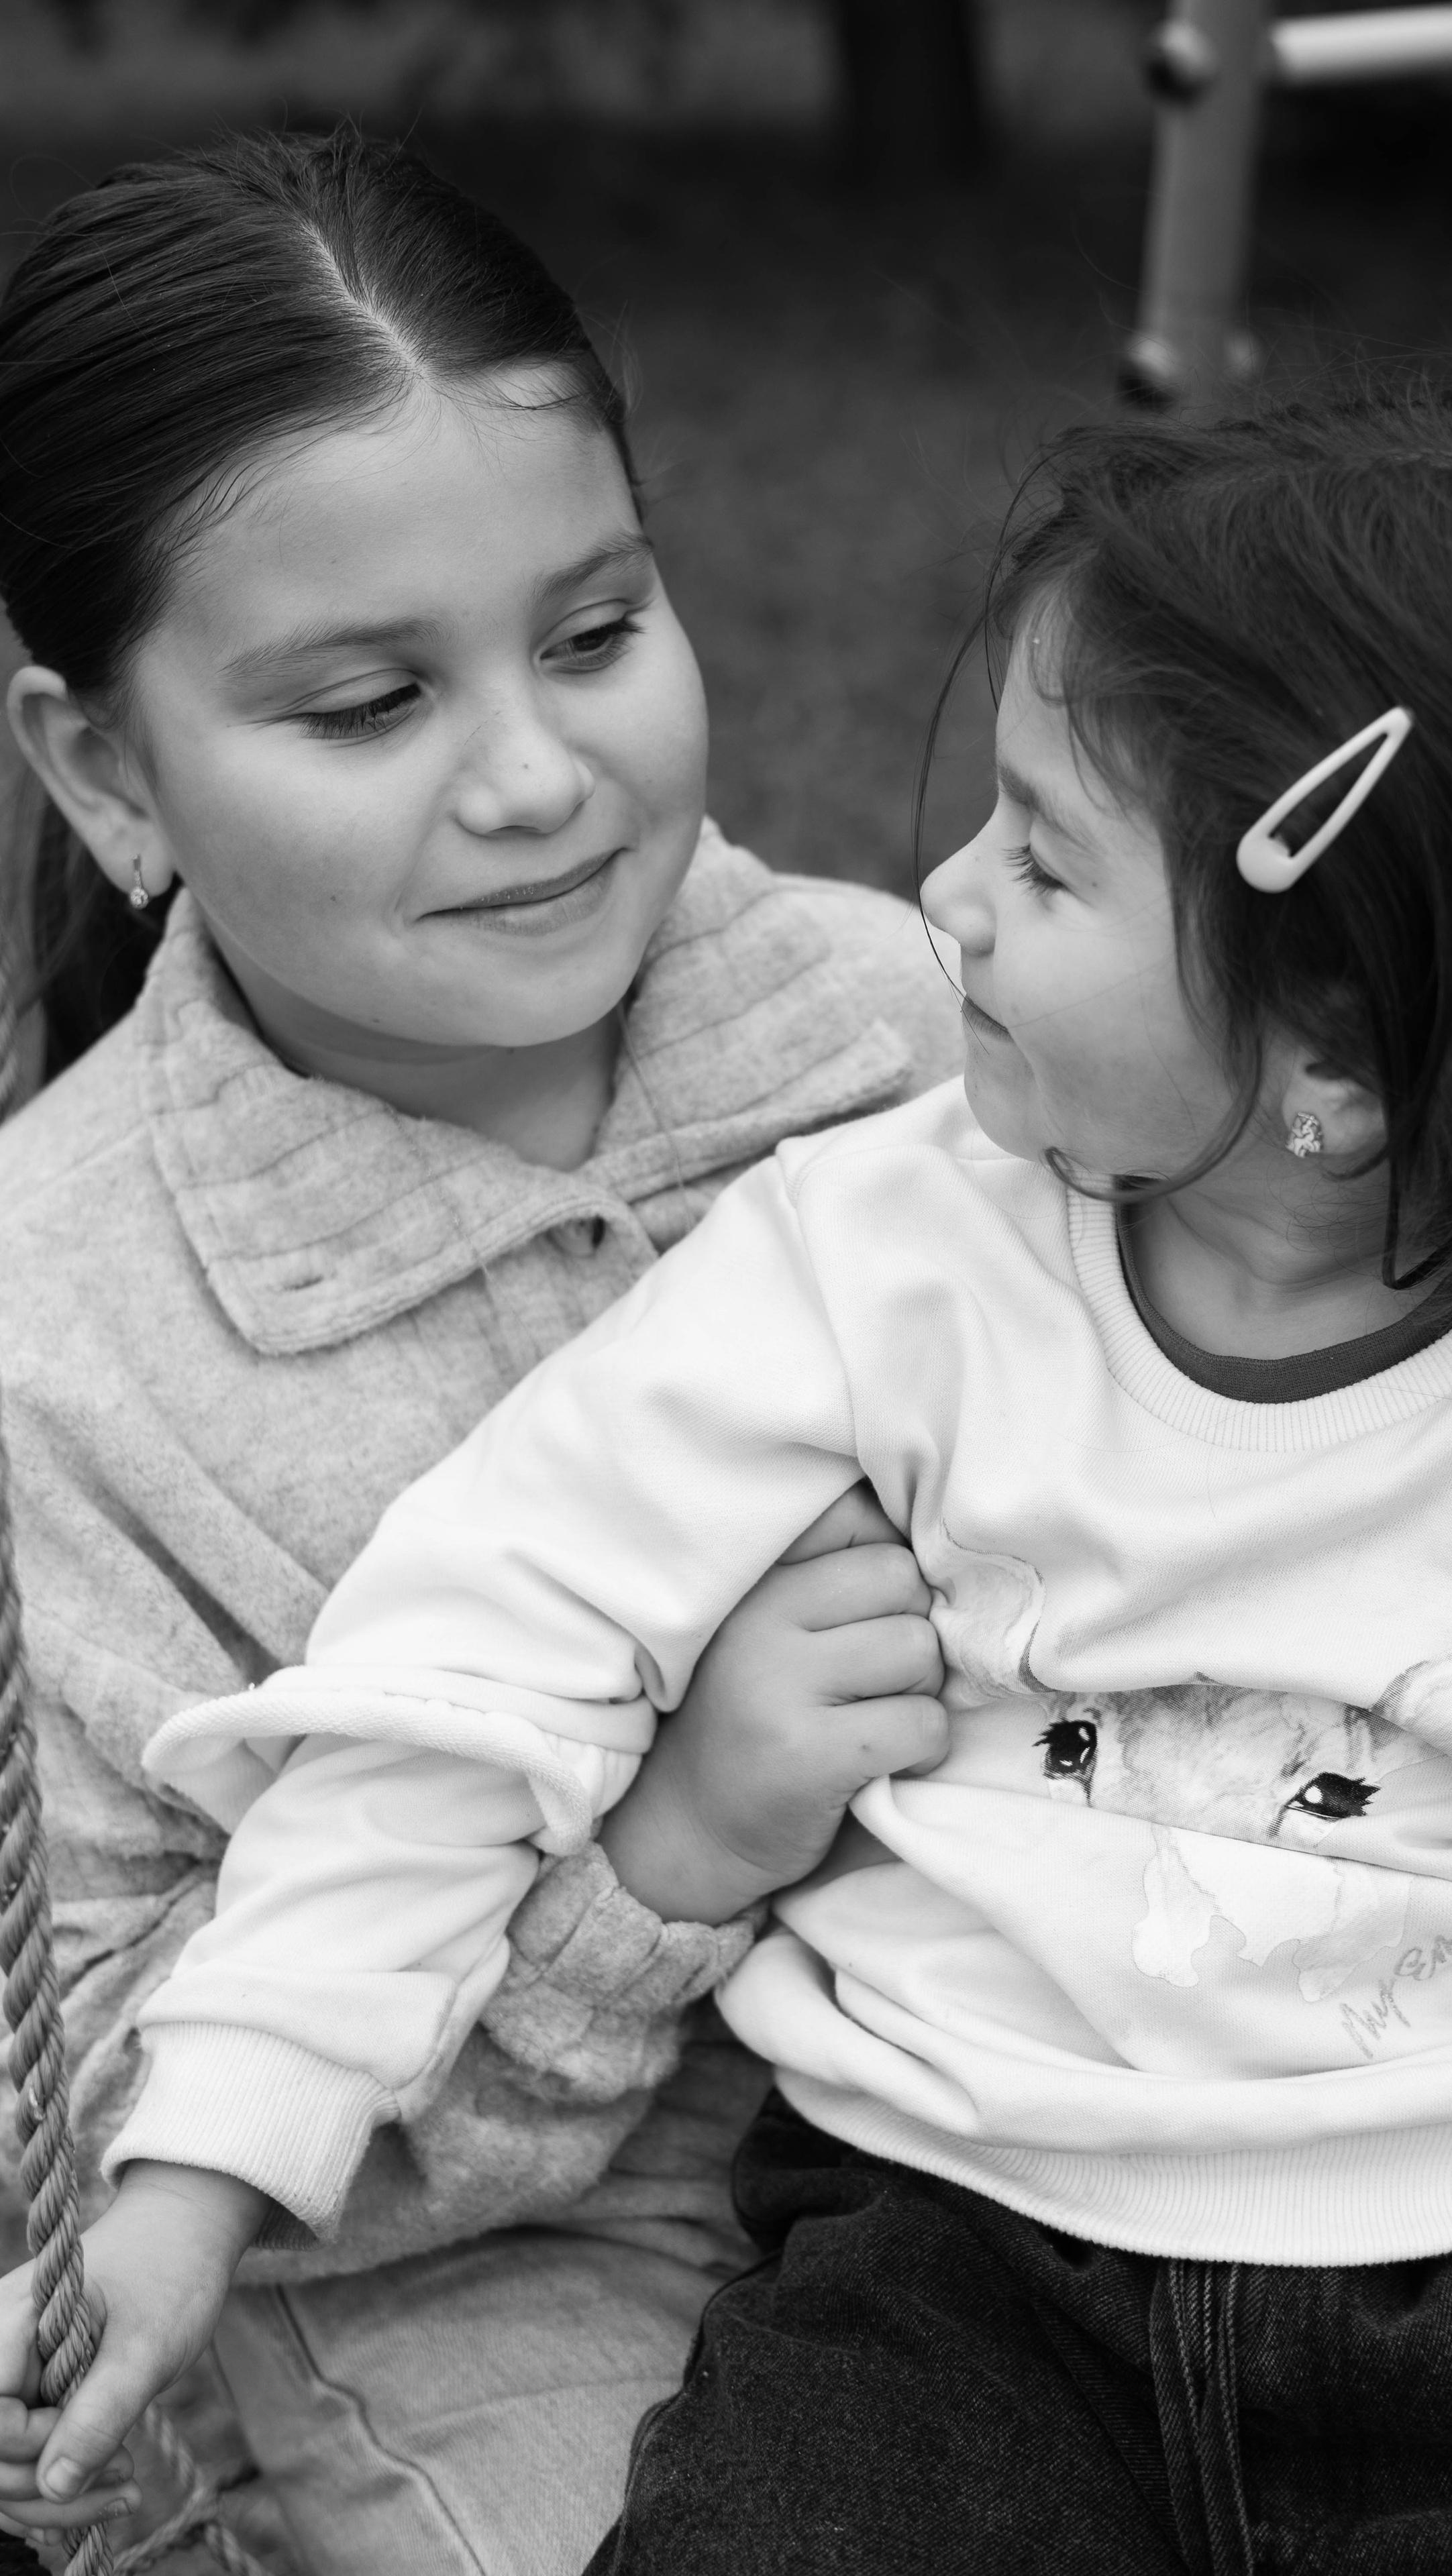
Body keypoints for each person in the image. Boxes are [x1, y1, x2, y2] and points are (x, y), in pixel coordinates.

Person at [0, 125, 968, 2574]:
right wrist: (665, 1859)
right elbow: (120, 2123)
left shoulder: (939, 1029)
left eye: (596, 630)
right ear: (105, 765)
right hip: (494, 2265)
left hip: (1042, 2101)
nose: (534, 779)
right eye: (365, 703)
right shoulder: (62, 1339)